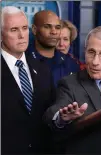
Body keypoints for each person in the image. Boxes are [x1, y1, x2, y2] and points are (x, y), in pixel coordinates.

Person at [1, 6, 56, 154]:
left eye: (24, 28)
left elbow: (50, 113)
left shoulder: (43, 69)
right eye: (14, 30)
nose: (21, 35)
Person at [27, 10, 80, 87]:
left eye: (65, 39)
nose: (61, 44)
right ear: (34, 30)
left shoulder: (73, 64)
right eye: (58, 39)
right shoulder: (25, 60)